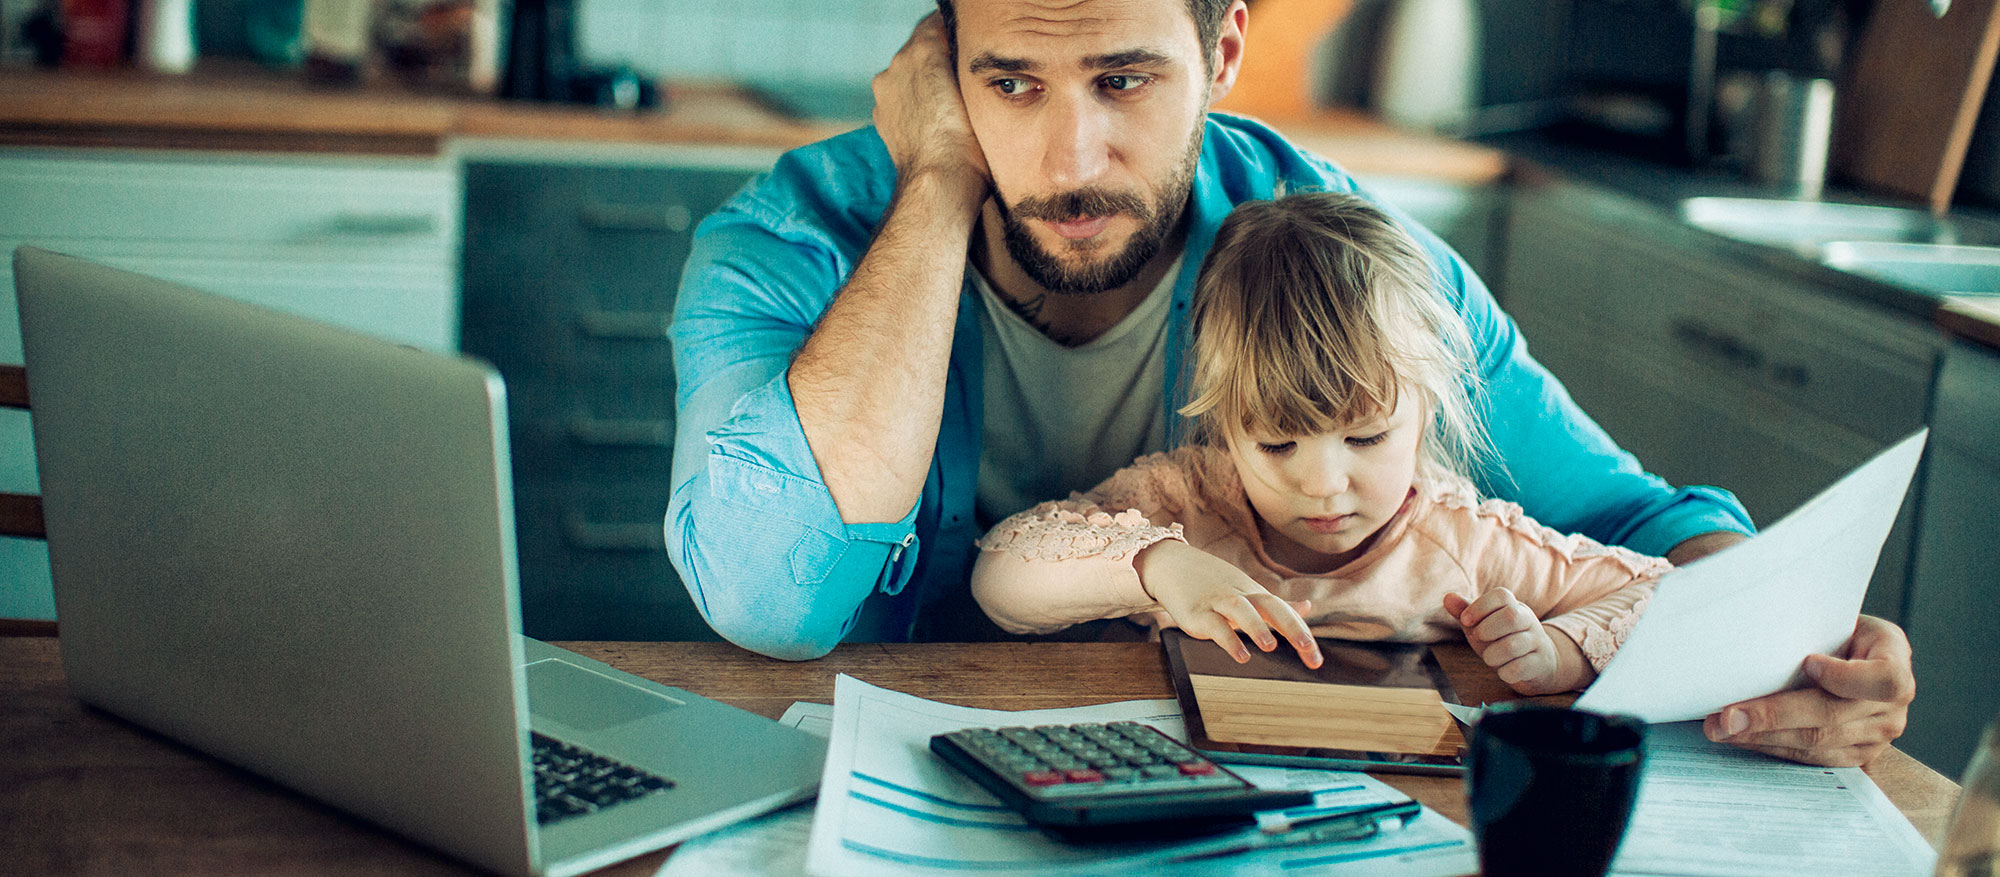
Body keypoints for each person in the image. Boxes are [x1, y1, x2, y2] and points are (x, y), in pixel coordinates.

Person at [665, 0, 1914, 766]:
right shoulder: (795, 239)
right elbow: (770, 596)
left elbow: (1637, 523)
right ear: (942, 67)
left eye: (1122, 79)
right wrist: (936, 183)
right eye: (1008, 83)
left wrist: (1782, 651)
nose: (1067, 157)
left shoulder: (1323, 248)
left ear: (1220, 51)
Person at [971, 191, 1669, 696]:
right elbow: (998, 578)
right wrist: (1158, 566)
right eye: (1277, 445)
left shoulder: (1466, 542)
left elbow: (1663, 593)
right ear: (1225, 422)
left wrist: (1561, 651)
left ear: (1425, 411)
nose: (1325, 484)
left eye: (1366, 435)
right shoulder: (1186, 501)